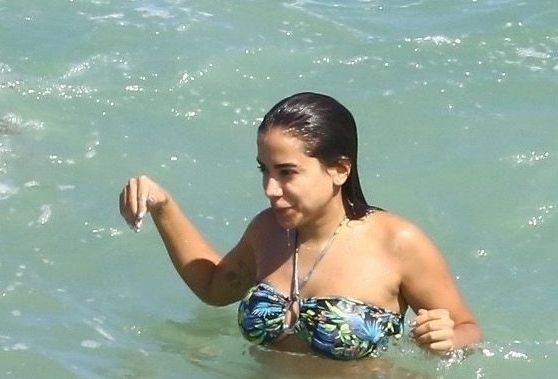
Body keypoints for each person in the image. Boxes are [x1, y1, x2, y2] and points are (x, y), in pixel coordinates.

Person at [118, 92, 481, 360]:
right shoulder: (267, 231)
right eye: (264, 170)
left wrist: (447, 339)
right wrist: (163, 206)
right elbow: (214, 288)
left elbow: (469, 330)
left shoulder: (397, 243)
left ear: (340, 169)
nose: (270, 189)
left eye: (287, 173)